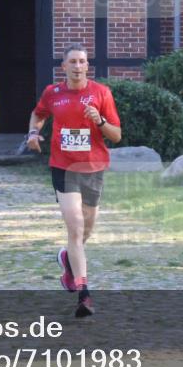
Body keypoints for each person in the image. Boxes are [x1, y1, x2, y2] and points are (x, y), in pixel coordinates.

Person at [27, 44, 121, 318]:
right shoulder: (53, 93)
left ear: (87, 66)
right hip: (63, 166)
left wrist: (100, 120)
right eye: (73, 62)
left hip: (93, 168)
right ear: (64, 67)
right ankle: (84, 293)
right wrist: (33, 133)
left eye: (82, 61)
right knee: (76, 229)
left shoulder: (101, 93)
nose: (78, 66)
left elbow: (116, 136)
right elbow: (39, 114)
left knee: (87, 228)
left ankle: (67, 260)